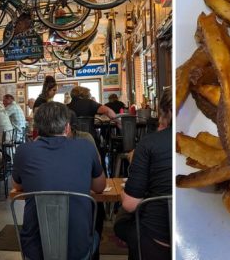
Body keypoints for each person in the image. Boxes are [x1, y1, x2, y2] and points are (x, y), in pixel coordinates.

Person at [12, 102, 105, 260]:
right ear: (67, 127)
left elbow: (17, 185)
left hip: (35, 251)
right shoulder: (85, 147)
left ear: (37, 128)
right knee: (95, 234)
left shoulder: (23, 151)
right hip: (79, 250)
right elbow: (99, 187)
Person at [114, 88, 172, 260]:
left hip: (157, 242)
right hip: (196, 235)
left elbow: (131, 204)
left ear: (166, 112)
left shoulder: (149, 144)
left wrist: (124, 192)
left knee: (123, 222)